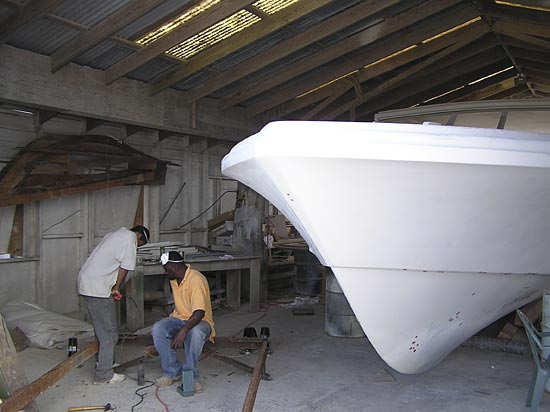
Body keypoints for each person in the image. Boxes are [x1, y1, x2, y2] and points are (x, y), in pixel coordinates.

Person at [78, 225, 150, 384]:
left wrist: (112, 286)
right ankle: (103, 375)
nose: (137, 247)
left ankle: (105, 363)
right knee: (109, 334)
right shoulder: (130, 238)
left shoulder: (115, 233)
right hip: (97, 288)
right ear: (138, 235)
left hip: (89, 283)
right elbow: (125, 267)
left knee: (102, 330)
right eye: (140, 244)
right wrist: (117, 287)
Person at [152, 251, 215, 392]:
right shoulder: (175, 280)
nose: (165, 273)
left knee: (196, 332)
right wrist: (180, 326)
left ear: (174, 267)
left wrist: (183, 330)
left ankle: (191, 376)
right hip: (179, 318)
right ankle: (172, 371)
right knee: (158, 329)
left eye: (166, 269)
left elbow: (199, 312)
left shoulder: (196, 279)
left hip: (201, 321)